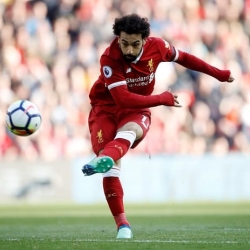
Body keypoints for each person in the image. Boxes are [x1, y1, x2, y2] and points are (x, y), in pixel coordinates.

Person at [81, 13, 235, 239]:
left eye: (135, 44)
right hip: (105, 107)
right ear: (118, 39)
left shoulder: (158, 46)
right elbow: (123, 98)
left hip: (136, 109)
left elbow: (185, 58)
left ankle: (105, 160)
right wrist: (160, 99)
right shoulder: (110, 58)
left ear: (144, 40)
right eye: (124, 43)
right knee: (112, 166)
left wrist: (218, 74)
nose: (129, 50)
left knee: (131, 132)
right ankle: (122, 224)